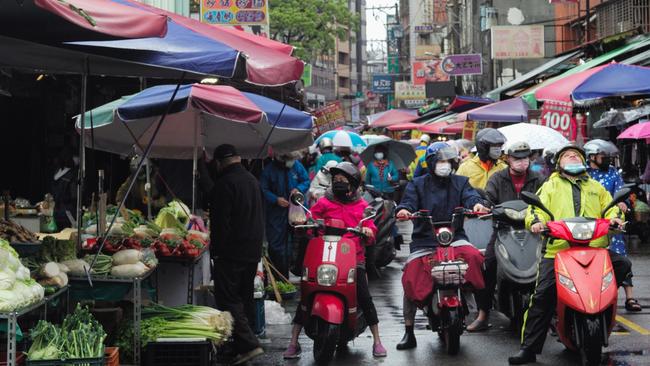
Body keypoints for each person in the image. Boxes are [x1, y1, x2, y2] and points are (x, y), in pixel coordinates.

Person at [509, 144, 633, 365]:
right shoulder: (550, 187)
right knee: (543, 296)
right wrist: (537, 223)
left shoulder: (596, 187)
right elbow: (535, 210)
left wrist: (616, 218)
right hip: (558, 250)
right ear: (559, 163)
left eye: (577, 155)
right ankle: (529, 348)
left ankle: (604, 315)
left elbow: (611, 207)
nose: (573, 157)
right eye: (568, 155)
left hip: (595, 249)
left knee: (622, 264)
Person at [283, 162, 387, 359]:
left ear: (354, 184)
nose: (338, 183)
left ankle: (377, 340)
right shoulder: (324, 202)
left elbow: (370, 227)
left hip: (352, 258)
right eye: (336, 180)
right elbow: (310, 216)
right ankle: (294, 341)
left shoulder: (362, 206)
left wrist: (367, 230)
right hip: (324, 255)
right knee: (306, 292)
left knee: (364, 296)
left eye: (343, 180)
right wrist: (306, 222)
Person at [395, 142, 490, 350]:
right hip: (425, 240)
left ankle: (474, 299)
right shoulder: (417, 184)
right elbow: (408, 202)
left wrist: (476, 204)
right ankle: (409, 331)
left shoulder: (461, 182)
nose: (444, 165)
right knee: (410, 274)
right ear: (431, 163)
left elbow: (470, 196)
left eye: (448, 161)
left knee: (475, 257)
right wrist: (404, 210)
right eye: (440, 161)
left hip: (455, 237)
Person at [468, 141, 545, 332]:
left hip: (533, 229)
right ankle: (483, 314)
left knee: (549, 265)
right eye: (517, 158)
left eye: (525, 157)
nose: (522, 162)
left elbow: (547, 199)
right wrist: (482, 205)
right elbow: (488, 198)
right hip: (503, 229)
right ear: (508, 159)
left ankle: (552, 314)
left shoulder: (539, 179)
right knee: (488, 264)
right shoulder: (497, 178)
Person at [205, 144, 265, 365]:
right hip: (251, 251)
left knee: (228, 298)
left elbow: (221, 224)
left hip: (231, 253)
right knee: (244, 298)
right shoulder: (252, 180)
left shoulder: (224, 184)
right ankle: (241, 346)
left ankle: (249, 345)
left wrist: (217, 252)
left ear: (220, 163)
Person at [584, 139, 641, 312]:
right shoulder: (583, 174)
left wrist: (622, 203)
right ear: (592, 156)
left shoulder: (613, 172)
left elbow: (621, 192)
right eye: (603, 156)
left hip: (612, 222)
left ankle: (629, 297)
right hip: (589, 223)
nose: (606, 159)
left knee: (620, 258)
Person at [260, 151, 310, 278]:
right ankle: (280, 277)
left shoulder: (297, 166)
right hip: (276, 212)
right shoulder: (269, 170)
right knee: (276, 245)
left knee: (298, 242)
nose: (291, 161)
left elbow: (305, 180)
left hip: (296, 211)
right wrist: (275, 199)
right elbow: (263, 189)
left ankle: (295, 269)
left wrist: (298, 189)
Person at [50, 149, 78, 229]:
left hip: (61, 210)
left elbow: (73, 195)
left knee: (62, 232)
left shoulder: (59, 172)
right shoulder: (70, 174)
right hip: (65, 210)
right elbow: (74, 195)